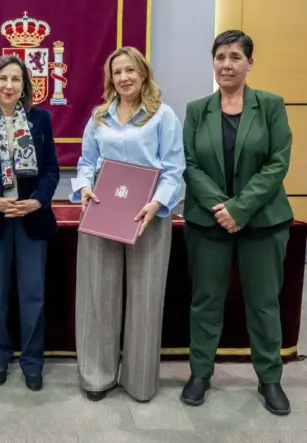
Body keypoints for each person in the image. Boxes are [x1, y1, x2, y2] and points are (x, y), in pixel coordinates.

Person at [179, 30, 294, 415]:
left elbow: (278, 161)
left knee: (263, 304)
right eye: (220, 57)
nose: (226, 64)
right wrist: (220, 208)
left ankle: (269, 379)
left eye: (234, 57)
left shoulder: (271, 105)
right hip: (208, 223)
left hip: (262, 222)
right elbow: (190, 165)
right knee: (205, 302)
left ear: (249, 63)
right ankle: (199, 374)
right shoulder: (198, 110)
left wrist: (240, 209)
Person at [70, 46, 185, 402]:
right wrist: (85, 187)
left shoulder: (162, 116)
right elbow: (86, 161)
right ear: (111, 78)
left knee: (145, 299)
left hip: (148, 217)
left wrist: (158, 203)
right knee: (97, 296)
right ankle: (97, 376)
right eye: (117, 72)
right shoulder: (99, 116)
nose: (124, 78)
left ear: (143, 74)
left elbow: (174, 168)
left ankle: (139, 381)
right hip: (103, 213)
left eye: (130, 70)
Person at [0, 55, 60, 391]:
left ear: (25, 87)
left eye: (16, 80)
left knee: (33, 295)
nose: (8, 86)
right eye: (2, 79)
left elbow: (51, 170)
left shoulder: (41, 121)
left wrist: (38, 201)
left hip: (32, 219)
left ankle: (33, 362)